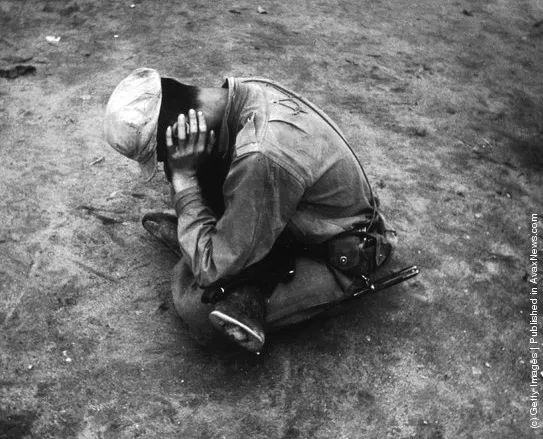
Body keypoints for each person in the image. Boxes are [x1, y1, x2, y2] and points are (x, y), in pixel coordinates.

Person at [104, 68, 400, 354]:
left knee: (198, 308)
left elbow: (213, 272)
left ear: (179, 129)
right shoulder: (240, 92)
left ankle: (195, 243)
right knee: (208, 160)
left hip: (337, 252)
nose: (162, 163)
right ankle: (201, 238)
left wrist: (183, 179)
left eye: (160, 156)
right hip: (285, 212)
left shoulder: (260, 156)